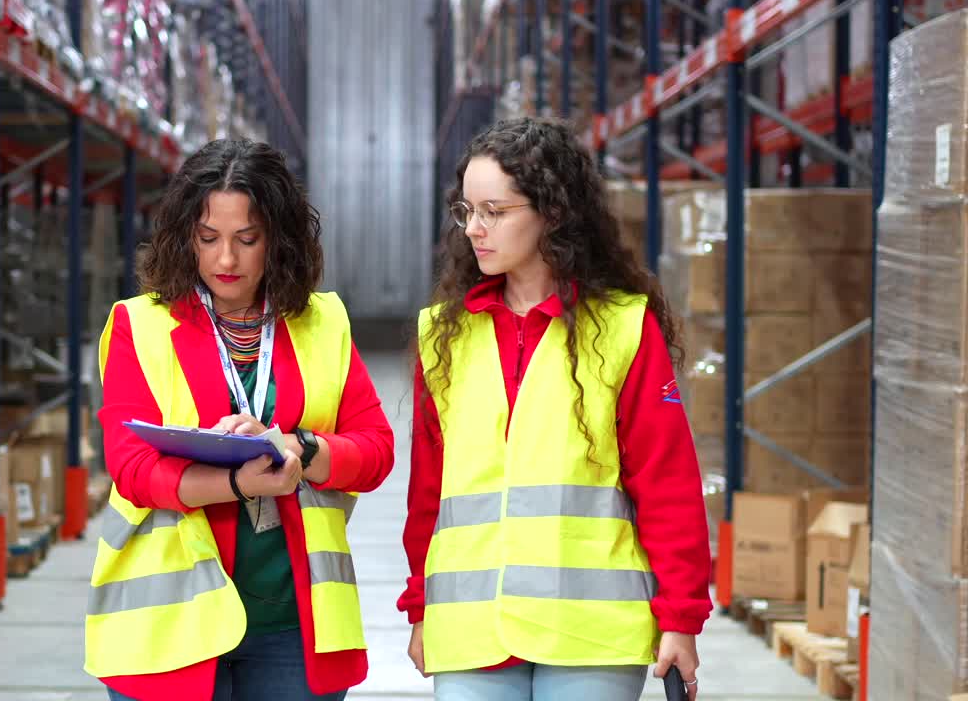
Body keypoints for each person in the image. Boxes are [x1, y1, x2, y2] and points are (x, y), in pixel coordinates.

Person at [397, 117, 712, 701]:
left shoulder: (620, 328)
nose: (475, 229)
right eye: (466, 212)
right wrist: (420, 605)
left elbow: (667, 483)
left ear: (553, 213)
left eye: (496, 211)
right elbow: (429, 494)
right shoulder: (443, 334)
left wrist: (680, 617)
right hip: (472, 628)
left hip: (589, 633)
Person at [85, 138, 395, 701]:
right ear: (185, 238)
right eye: (208, 239)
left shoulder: (324, 322)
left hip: (294, 626)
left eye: (246, 240)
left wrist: (301, 447)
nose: (225, 259)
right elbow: (130, 468)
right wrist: (233, 482)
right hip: (171, 627)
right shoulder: (140, 326)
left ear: (279, 241)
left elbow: (374, 450)